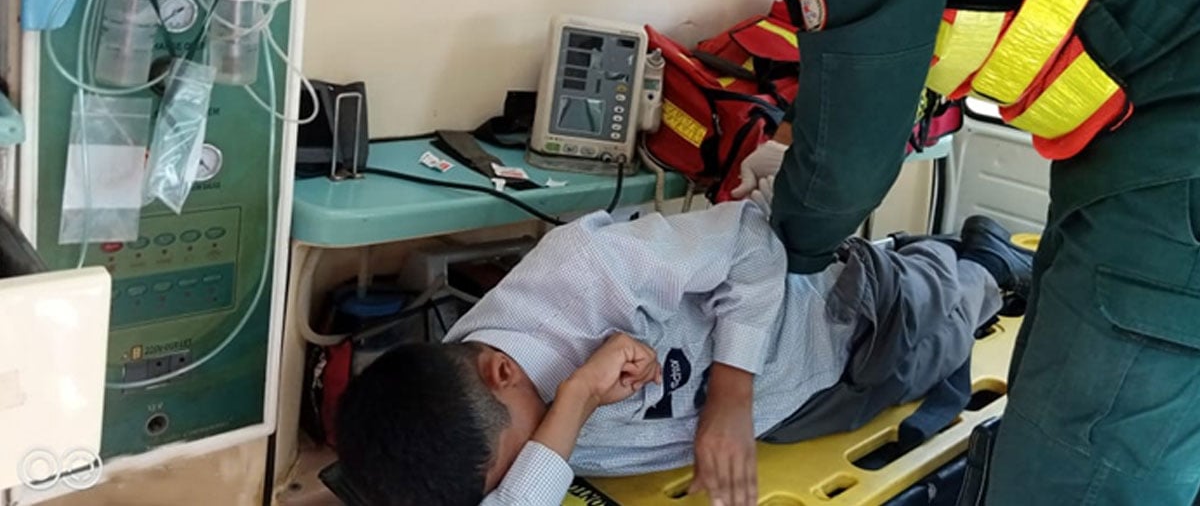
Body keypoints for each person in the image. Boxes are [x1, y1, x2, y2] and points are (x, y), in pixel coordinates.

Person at [591, 0, 1200, 503]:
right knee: (1055, 385)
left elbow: (843, 173)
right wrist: (793, 147)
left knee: (1079, 462)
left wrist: (776, 236)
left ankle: (985, 268)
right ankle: (990, 265)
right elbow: (862, 71)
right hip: (1133, 137)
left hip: (1174, 141)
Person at [335, 173, 1033, 506]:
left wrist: (731, 394)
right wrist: (576, 397)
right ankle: (936, 261)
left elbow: (752, 241)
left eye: (529, 454)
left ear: (499, 373)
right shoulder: (461, 434)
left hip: (833, 321)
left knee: (945, 317)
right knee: (891, 385)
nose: (537, 468)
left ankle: (981, 258)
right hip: (792, 412)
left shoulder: (585, 271)